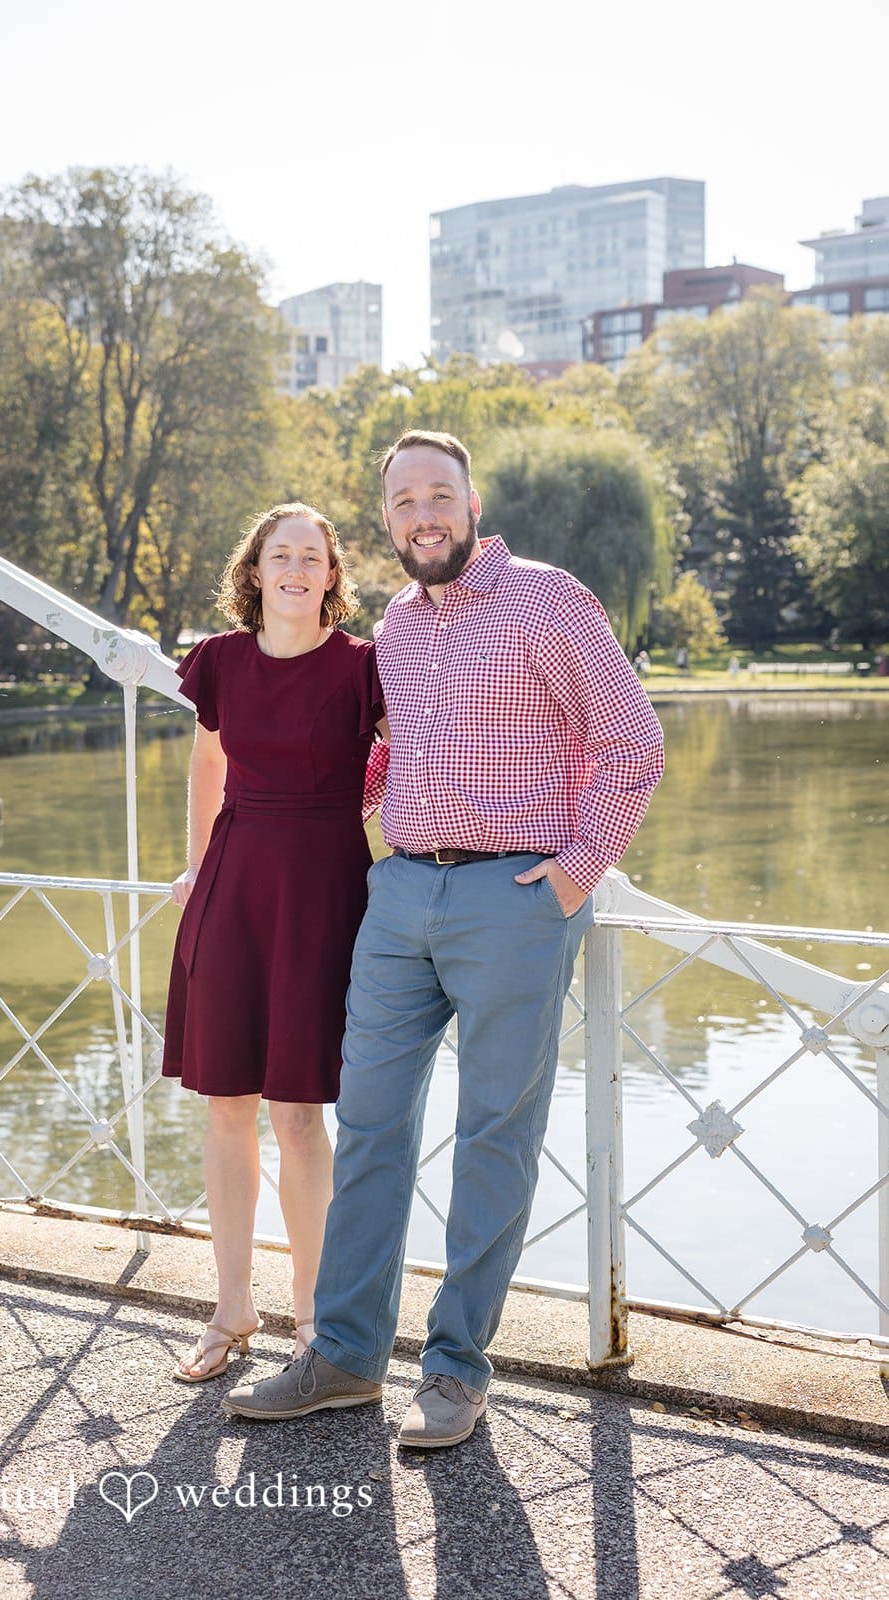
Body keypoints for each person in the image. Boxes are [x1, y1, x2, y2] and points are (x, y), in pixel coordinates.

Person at [223, 430, 664, 1448]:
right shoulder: (397, 624)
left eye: (437, 495)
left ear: (471, 505)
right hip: (397, 895)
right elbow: (391, 755)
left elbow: (630, 742)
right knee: (369, 1124)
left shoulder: (547, 600)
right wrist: (293, 820)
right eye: (402, 502)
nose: (421, 515)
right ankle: (343, 1357)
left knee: (490, 1136)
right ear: (386, 521)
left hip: (513, 898)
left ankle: (457, 1369)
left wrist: (573, 873)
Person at [163, 503, 385, 1382]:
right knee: (226, 1103)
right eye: (279, 554)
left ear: (332, 575)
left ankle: (313, 1317)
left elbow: (418, 764)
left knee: (297, 1113)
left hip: (324, 892)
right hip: (235, 884)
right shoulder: (219, 659)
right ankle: (232, 1307)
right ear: (254, 571)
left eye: (311, 556)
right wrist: (194, 868)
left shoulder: (363, 667)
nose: (294, 569)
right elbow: (207, 763)